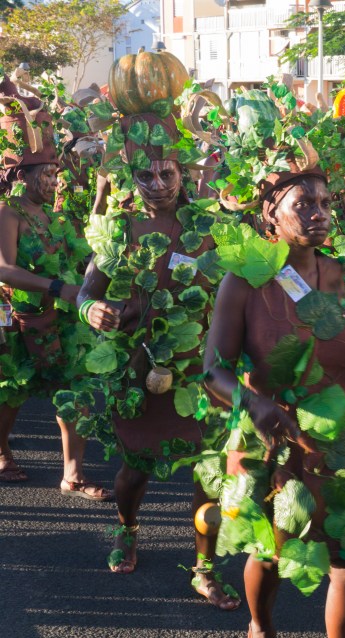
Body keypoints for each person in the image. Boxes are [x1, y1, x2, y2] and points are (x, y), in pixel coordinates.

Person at [203, 161, 345, 638]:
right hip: (272, 447)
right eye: (303, 204)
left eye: (326, 203)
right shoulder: (244, 281)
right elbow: (213, 369)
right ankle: (260, 627)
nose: (319, 213)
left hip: (341, 447)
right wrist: (256, 405)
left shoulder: (344, 277)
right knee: (269, 555)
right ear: (271, 213)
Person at [76, 113, 239, 610]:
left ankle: (204, 567)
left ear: (185, 173)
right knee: (133, 470)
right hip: (137, 372)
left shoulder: (213, 228)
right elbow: (88, 288)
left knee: (209, 474)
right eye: (145, 175)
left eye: (167, 173)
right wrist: (92, 308)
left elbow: (241, 290)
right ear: (130, 177)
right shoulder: (119, 229)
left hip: (203, 369)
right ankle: (127, 530)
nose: (157, 184)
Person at [0, 76, 109, 499]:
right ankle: (3, 451)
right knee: (11, 392)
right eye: (46, 174)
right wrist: (57, 287)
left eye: (55, 174)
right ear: (22, 175)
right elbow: (4, 269)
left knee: (76, 392)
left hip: (63, 318)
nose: (54, 181)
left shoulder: (60, 219)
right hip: (17, 320)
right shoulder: (8, 214)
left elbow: (86, 260)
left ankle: (73, 474)